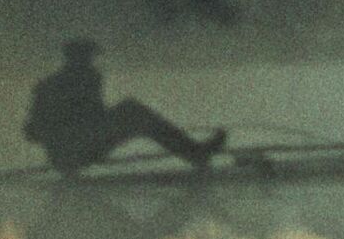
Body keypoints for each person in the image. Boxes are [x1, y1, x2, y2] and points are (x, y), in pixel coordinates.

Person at [23, 38, 227, 177]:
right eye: (87, 57)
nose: (91, 62)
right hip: (70, 155)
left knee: (134, 113)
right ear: (74, 59)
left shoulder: (78, 80)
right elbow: (33, 132)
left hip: (76, 151)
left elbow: (33, 132)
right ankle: (195, 153)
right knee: (134, 111)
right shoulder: (57, 85)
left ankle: (194, 152)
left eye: (90, 57)